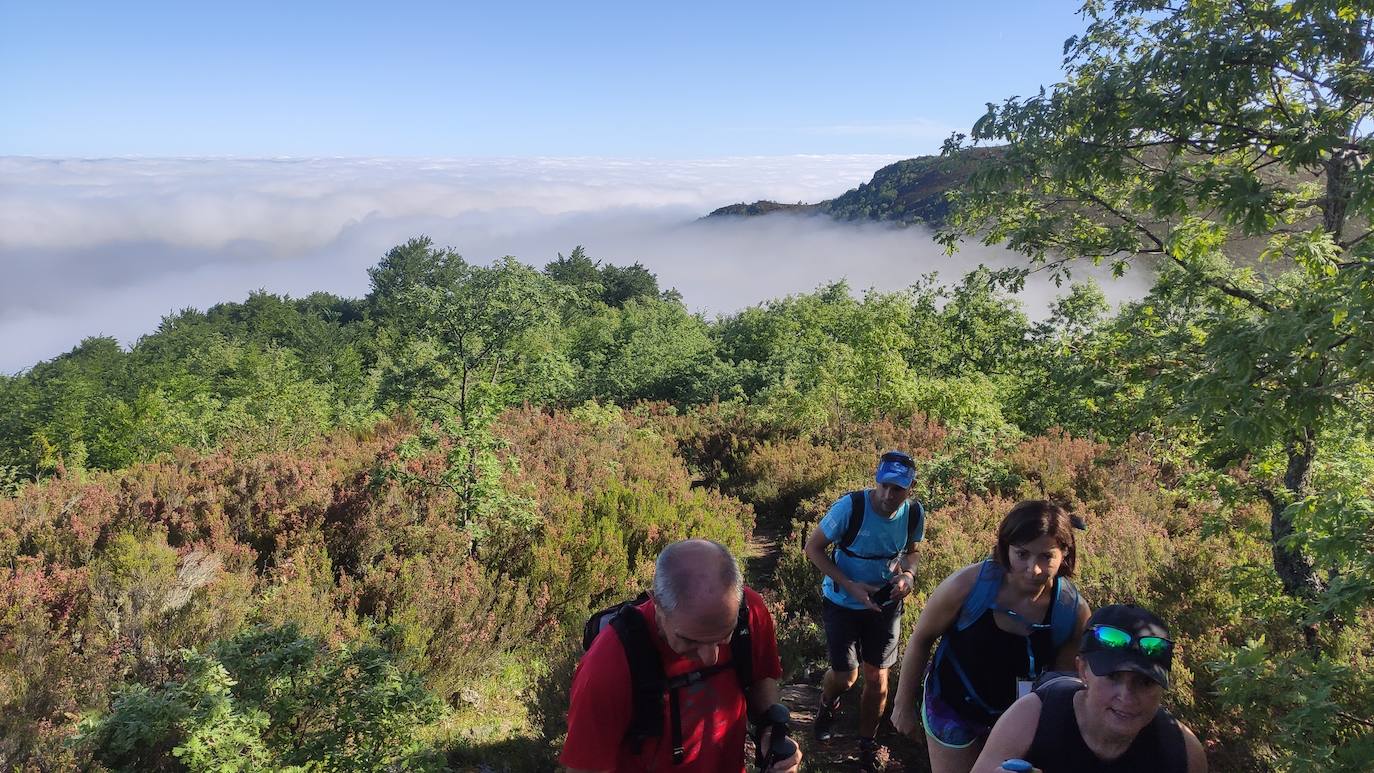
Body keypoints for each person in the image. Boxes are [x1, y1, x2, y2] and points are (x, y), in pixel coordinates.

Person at [560, 539, 803, 773]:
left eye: (723, 636)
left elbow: (761, 683)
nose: (710, 657)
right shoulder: (607, 666)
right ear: (656, 604)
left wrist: (770, 732)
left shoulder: (749, 613)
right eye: (690, 641)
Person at [890, 500, 1091, 773]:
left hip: (1017, 721)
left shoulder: (1071, 610)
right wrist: (902, 704)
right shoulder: (967, 586)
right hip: (952, 708)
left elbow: (1063, 684)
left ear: (1064, 554)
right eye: (1022, 554)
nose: (1033, 569)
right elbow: (921, 639)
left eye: (1046, 556)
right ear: (1005, 547)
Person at [971, 604, 1208, 773]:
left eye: (1144, 682)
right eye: (1112, 676)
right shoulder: (1032, 718)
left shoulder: (1180, 751)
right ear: (1083, 671)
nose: (1126, 697)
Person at [803, 450, 926, 768]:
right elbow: (813, 549)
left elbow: (912, 552)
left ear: (909, 488)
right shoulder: (851, 507)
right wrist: (850, 584)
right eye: (884, 485)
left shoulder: (913, 513)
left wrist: (908, 575)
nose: (888, 494)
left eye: (897, 488)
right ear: (877, 479)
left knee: (877, 678)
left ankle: (867, 743)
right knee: (846, 676)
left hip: (884, 604)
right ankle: (828, 703)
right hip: (842, 601)